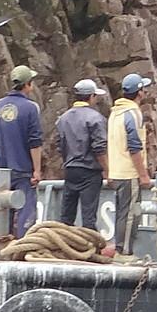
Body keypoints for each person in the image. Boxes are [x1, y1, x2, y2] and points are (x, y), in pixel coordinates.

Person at [0, 66, 44, 239]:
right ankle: (23, 247)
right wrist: (37, 170)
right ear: (28, 85)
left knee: (2, 211)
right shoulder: (31, 108)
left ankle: (0, 244)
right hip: (23, 169)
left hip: (2, 171)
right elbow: (35, 142)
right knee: (26, 210)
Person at [106, 73, 155, 253]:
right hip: (129, 174)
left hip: (117, 173)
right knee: (130, 215)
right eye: (144, 89)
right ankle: (124, 252)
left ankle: (120, 249)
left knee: (122, 213)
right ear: (140, 92)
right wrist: (143, 174)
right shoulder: (133, 114)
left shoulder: (115, 113)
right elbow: (134, 146)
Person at [55, 79, 110, 231]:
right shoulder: (95, 118)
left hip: (71, 169)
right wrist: (107, 170)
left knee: (66, 214)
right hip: (90, 171)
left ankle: (64, 245)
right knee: (88, 215)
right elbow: (99, 148)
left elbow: (59, 145)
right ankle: (89, 247)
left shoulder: (63, 118)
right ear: (91, 96)